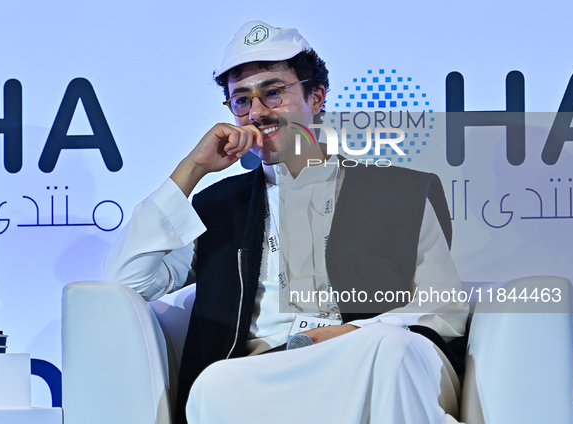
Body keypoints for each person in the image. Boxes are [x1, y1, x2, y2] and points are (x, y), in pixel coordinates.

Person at [103, 20, 469, 424]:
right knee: (213, 383)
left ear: (316, 96)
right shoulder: (217, 207)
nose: (257, 112)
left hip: (368, 356)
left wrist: (352, 334)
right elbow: (125, 283)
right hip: (268, 369)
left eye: (273, 93)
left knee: (391, 349)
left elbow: (444, 308)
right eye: (241, 100)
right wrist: (191, 170)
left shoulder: (400, 193)